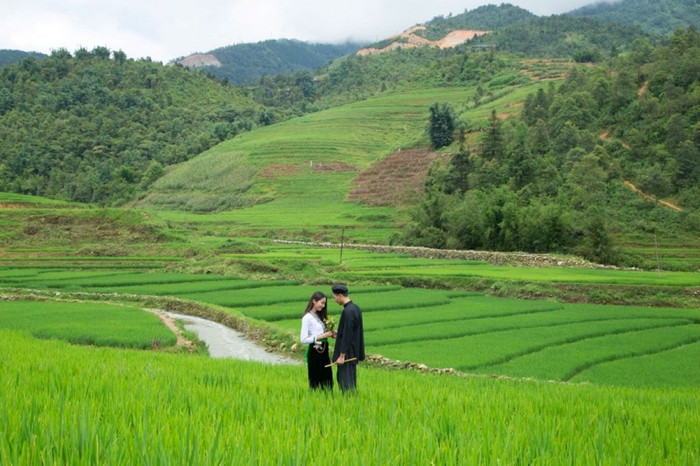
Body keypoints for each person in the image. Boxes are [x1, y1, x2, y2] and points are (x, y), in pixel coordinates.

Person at [331, 283, 365, 392]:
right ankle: (350, 403)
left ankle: (349, 404)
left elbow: (348, 335)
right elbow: (350, 331)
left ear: (340, 295)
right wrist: (339, 333)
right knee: (349, 382)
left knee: (345, 384)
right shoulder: (355, 308)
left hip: (347, 355)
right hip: (353, 352)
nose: (335, 300)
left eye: (334, 297)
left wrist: (342, 356)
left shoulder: (348, 312)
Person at [299, 291, 334, 390]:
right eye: (322, 303)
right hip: (315, 350)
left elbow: (323, 333)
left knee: (327, 377)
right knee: (316, 379)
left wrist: (331, 334)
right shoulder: (307, 318)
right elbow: (303, 339)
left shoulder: (320, 316)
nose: (323, 306)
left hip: (324, 350)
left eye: (324, 304)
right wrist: (321, 336)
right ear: (314, 301)